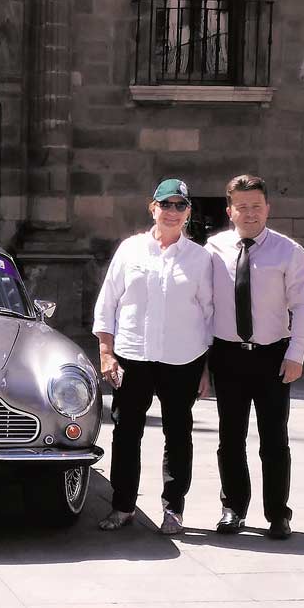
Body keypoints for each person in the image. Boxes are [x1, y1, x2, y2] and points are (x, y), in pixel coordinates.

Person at [93, 178, 213, 534]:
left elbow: (209, 315)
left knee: (178, 434)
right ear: (153, 208)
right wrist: (106, 353)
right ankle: (123, 505)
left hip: (183, 359)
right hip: (133, 356)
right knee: (127, 433)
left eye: (180, 206)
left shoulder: (200, 258)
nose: (172, 212)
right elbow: (107, 303)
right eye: (166, 205)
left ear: (188, 212)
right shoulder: (130, 250)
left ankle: (173, 508)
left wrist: (206, 368)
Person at [206, 174, 304, 540]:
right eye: (242, 207)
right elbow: (204, 308)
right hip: (227, 356)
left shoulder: (289, 252)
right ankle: (233, 507)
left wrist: (297, 353)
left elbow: (303, 307)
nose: (249, 213)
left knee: (274, 439)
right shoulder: (213, 249)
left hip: (272, 357)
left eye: (256, 206)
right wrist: (203, 362)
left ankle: (277, 514)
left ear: (268, 208)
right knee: (230, 437)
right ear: (229, 211)